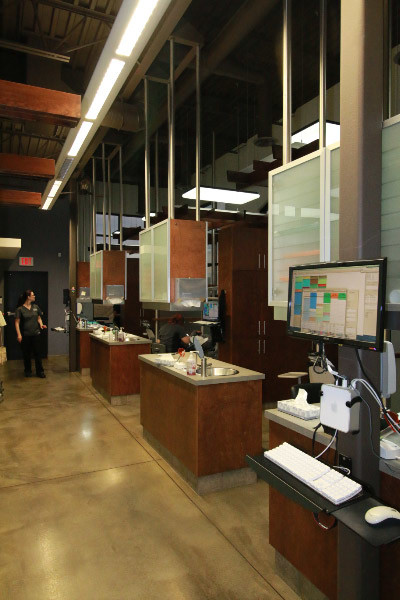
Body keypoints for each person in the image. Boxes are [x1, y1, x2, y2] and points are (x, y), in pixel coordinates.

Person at [15, 290, 47, 378]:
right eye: (33, 295)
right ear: (28, 297)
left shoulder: (36, 307)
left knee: (38, 354)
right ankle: (28, 371)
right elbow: (17, 323)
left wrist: (41, 324)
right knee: (26, 354)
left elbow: (39, 318)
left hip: (36, 334)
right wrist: (19, 334)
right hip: (26, 335)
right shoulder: (20, 309)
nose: (34, 296)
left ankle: (40, 372)